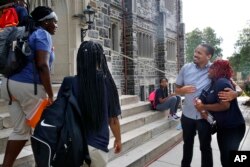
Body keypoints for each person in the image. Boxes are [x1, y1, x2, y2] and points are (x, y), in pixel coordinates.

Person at [0, 6, 58, 167]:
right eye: (54, 21)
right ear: (45, 22)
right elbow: (42, 66)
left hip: (8, 85)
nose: (56, 25)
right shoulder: (42, 34)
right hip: (29, 88)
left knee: (20, 130)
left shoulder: (21, 31)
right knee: (43, 130)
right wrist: (50, 94)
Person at [57, 41, 122, 167]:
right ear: (100, 59)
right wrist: (118, 139)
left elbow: (59, 114)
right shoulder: (107, 83)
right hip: (98, 148)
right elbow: (113, 119)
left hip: (71, 146)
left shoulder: (68, 83)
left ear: (79, 59)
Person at [175, 43, 240, 167]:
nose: (195, 54)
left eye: (199, 53)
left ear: (208, 56)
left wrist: (234, 94)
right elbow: (176, 90)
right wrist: (182, 90)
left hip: (204, 117)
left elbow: (237, 88)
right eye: (195, 51)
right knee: (187, 145)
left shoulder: (215, 70)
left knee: (205, 147)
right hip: (187, 115)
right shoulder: (186, 68)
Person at [195, 60, 246, 167]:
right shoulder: (215, 82)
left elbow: (224, 105)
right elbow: (238, 90)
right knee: (226, 158)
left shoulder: (222, 82)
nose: (209, 70)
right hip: (223, 127)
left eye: (212, 68)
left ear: (218, 70)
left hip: (233, 128)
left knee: (228, 160)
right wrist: (204, 109)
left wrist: (203, 107)